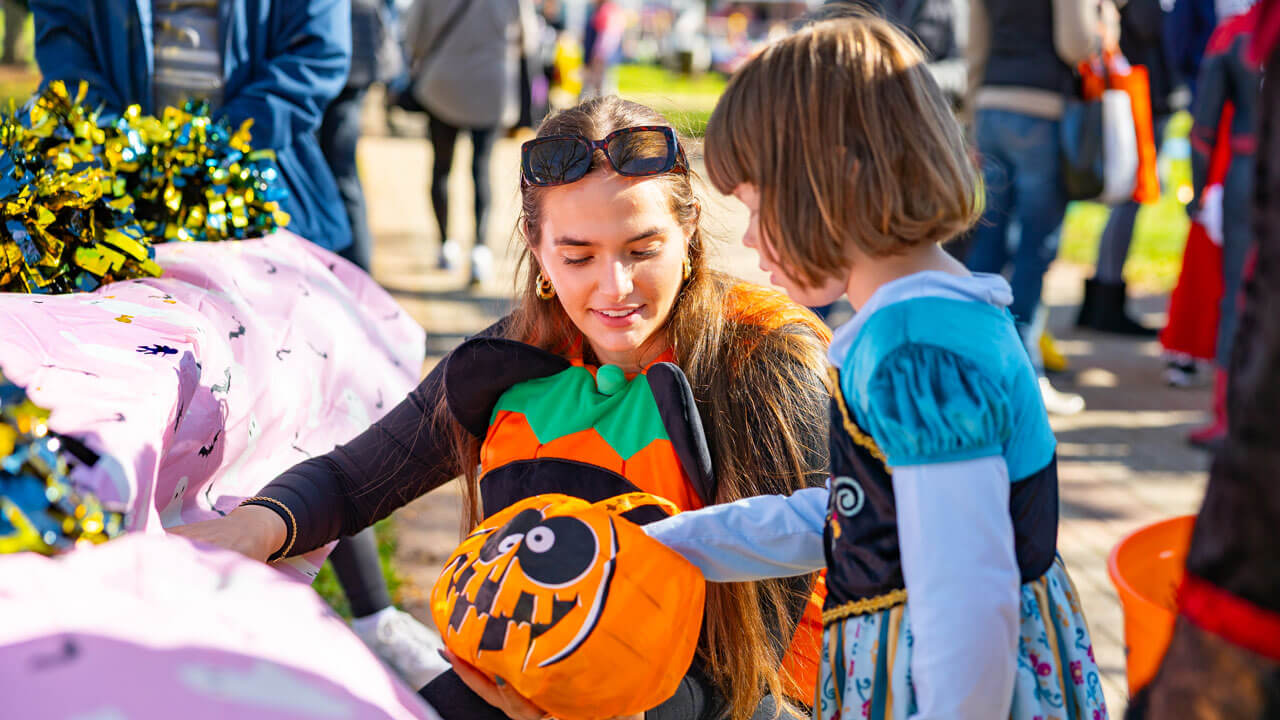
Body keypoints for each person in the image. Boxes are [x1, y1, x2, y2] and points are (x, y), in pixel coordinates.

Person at [171, 95, 834, 720]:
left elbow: (752, 663)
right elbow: (352, 481)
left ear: (689, 234)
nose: (615, 287)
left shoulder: (764, 364)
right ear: (538, 248)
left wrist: (581, 702)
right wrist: (250, 527)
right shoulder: (514, 355)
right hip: (531, 685)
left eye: (643, 251)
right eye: (578, 256)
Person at [643, 16, 1107, 720]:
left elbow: (967, 605)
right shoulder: (931, 316)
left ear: (825, 180)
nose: (748, 237)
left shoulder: (914, 350)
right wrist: (670, 543)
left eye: (757, 203)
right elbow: (858, 516)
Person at [32, 0, 442, 689]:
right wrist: (134, 158)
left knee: (307, 400)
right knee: (154, 390)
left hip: (261, 201)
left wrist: (201, 159)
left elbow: (316, 58)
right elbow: (66, 46)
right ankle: (143, 599)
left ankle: (369, 613)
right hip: (122, 210)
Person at [31, 0, 352, 254]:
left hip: (268, 194)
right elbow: (64, 44)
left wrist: (215, 146)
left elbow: (319, 52)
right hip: (121, 200)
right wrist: (124, 146)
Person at [964, 0, 1106, 415]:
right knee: (1035, 247)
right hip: (1042, 109)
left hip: (991, 106)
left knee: (989, 237)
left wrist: (975, 118)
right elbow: (1075, 44)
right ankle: (1023, 371)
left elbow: (975, 47)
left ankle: (970, 358)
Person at [402, 0, 538, 287]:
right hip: (492, 88)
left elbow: (413, 36)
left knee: (441, 167)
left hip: (442, 85)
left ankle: (445, 246)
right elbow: (529, 39)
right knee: (482, 169)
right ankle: (480, 251)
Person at [1184, 0, 1261, 448]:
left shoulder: (1235, 34)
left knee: (1240, 292)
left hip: (1249, 172)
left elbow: (1202, 130)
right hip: (1253, 171)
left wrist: (1197, 193)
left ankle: (1228, 417)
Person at [1076, 0, 1177, 337]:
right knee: (1126, 197)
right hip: (1135, 92)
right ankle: (1106, 298)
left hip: (1139, 90)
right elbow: (1149, 25)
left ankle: (1102, 299)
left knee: (1125, 198)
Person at [321, 0, 403, 272]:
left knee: (340, 171)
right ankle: (355, 267)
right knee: (342, 171)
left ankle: (356, 269)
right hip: (354, 57)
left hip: (340, 59)